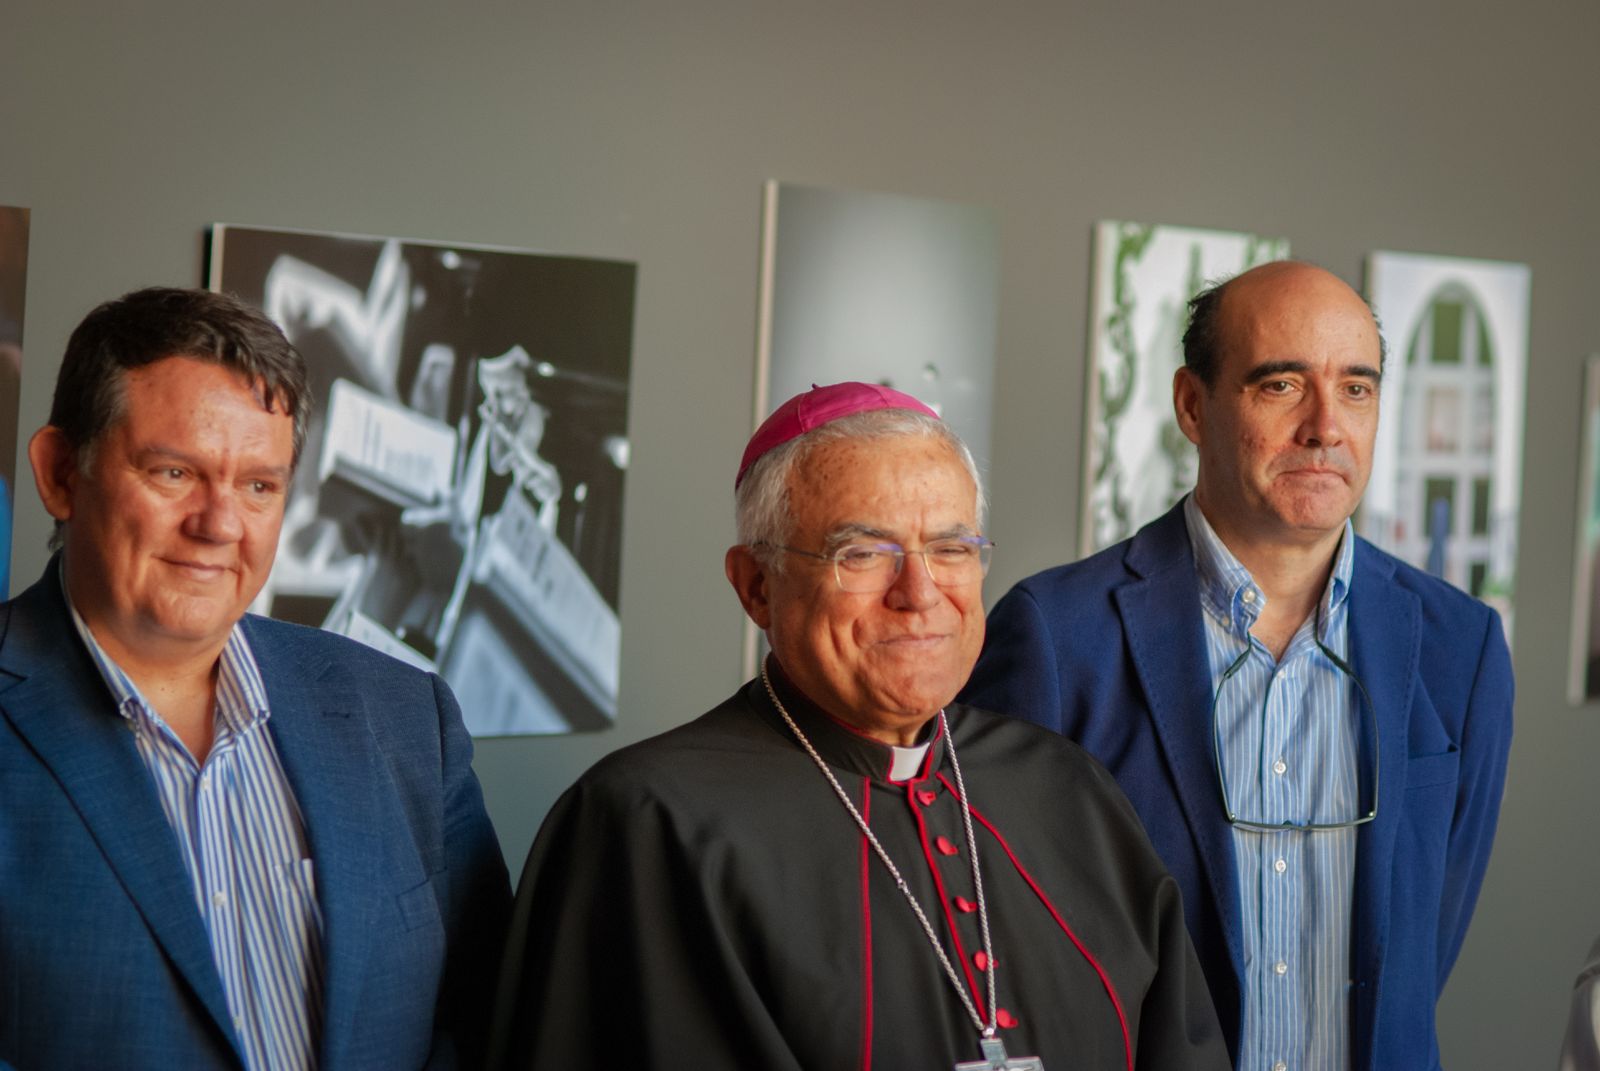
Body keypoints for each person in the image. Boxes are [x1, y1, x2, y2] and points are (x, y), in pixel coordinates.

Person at [492, 382, 1229, 1070]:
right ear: (756, 584)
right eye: (863, 554)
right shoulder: (645, 823)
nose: (920, 593)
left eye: (951, 549)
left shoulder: (1067, 787)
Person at [961, 261, 1514, 1071]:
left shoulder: (1461, 648)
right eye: (1282, 385)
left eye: (1356, 389)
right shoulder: (1054, 637)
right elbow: (995, 945)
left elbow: (1426, 947)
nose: (1326, 426)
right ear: (1193, 405)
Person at [0, 287, 510, 1070]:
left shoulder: (405, 719)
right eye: (174, 472)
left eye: (259, 485)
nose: (220, 524)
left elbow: (484, 1026)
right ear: (62, 473)